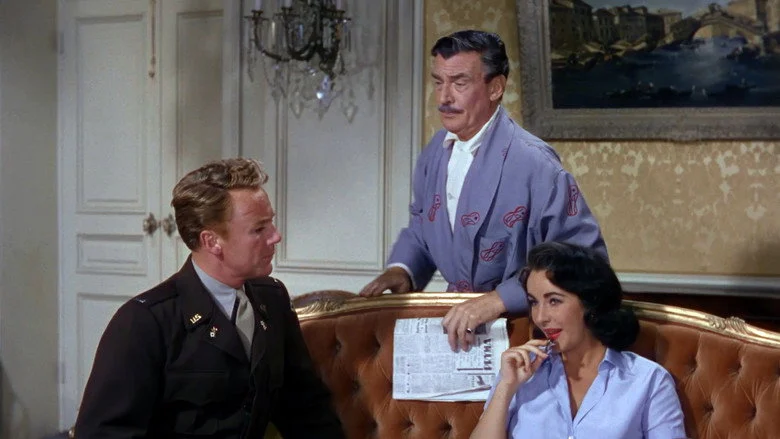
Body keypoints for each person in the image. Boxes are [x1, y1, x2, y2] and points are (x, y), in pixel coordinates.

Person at [359, 30, 607, 352]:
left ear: (495, 87)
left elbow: (588, 261)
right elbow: (423, 225)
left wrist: (499, 299)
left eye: (459, 83)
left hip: (523, 334)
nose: (444, 98)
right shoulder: (436, 151)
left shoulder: (536, 164)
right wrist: (402, 269)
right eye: (438, 82)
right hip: (455, 329)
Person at [74, 158, 344, 438]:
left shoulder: (272, 299)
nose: (276, 236)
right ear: (212, 241)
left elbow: (306, 409)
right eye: (259, 228)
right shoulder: (146, 321)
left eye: (271, 223)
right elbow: (103, 433)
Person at [470, 242, 686, 439]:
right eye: (534, 302)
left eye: (554, 301)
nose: (540, 317)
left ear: (591, 303)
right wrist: (506, 387)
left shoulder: (648, 380)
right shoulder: (518, 372)